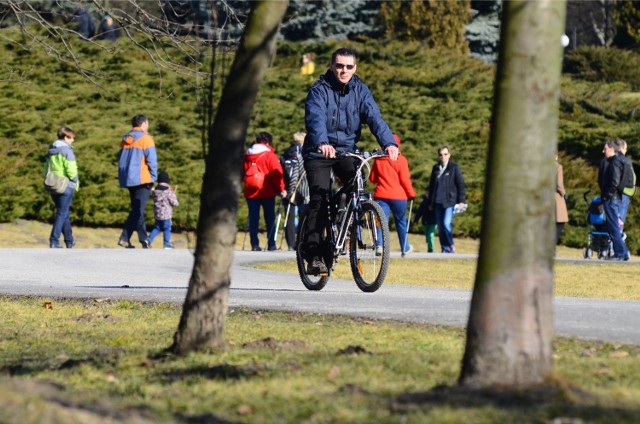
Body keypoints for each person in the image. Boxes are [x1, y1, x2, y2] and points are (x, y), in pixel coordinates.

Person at [302, 47, 399, 275]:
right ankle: (314, 255)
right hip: (319, 152)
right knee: (319, 198)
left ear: (355, 68)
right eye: (339, 65)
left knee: (357, 185)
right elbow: (315, 119)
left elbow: (374, 117)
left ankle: (343, 223)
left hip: (346, 151)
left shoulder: (360, 91)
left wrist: (389, 143)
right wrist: (322, 143)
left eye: (348, 66)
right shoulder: (319, 90)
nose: (343, 70)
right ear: (331, 65)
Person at [369, 134, 416, 256]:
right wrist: (411, 194)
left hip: (381, 195)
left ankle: (379, 245)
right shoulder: (401, 160)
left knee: (380, 220)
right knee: (400, 222)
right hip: (399, 197)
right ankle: (404, 248)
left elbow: (372, 178)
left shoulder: (378, 160)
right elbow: (405, 180)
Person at [117, 114, 158, 248]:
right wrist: (153, 178)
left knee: (137, 208)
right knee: (138, 210)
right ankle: (125, 237)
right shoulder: (146, 139)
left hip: (128, 178)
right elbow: (152, 161)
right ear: (144, 124)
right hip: (142, 178)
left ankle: (144, 239)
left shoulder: (125, 139)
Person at [243, 132, 286, 252]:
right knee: (269, 218)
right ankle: (271, 244)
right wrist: (281, 189)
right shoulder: (269, 155)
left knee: (253, 218)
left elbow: (244, 172)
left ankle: (254, 244)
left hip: (251, 191)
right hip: (267, 191)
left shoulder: (247, 154)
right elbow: (277, 174)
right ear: (268, 142)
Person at [427, 145, 466, 253]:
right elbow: (431, 186)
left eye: (445, 154)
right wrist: (430, 202)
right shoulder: (435, 168)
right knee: (440, 226)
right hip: (437, 202)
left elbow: (460, 185)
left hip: (449, 202)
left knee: (446, 224)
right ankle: (444, 247)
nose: (443, 157)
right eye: (441, 155)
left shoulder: (454, 168)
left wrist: (462, 200)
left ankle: (451, 245)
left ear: (449, 155)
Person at [45, 127, 79, 248]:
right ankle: (54, 240)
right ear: (65, 137)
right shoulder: (67, 151)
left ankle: (69, 241)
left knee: (64, 213)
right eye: (71, 138)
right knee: (62, 213)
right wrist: (75, 181)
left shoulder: (51, 150)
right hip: (66, 185)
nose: (73, 140)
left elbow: (46, 168)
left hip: (53, 185)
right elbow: (71, 170)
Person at [598, 139, 629, 261]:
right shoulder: (622, 161)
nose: (603, 151)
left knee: (614, 227)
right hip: (616, 198)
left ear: (611, 149)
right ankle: (624, 253)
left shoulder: (614, 162)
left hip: (611, 198)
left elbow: (614, 182)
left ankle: (620, 253)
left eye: (605, 148)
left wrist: (607, 195)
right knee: (614, 226)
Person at [280, 131, 309, 250]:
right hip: (310, 191)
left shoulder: (288, 152)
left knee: (296, 217)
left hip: (297, 190)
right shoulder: (306, 153)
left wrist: (289, 191)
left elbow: (293, 176)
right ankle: (306, 242)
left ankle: (294, 244)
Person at [147, 171, 179, 249]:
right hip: (166, 214)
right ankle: (167, 244)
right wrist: (174, 194)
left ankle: (148, 240)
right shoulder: (169, 191)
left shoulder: (155, 191)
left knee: (157, 228)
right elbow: (175, 203)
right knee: (167, 228)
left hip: (158, 214)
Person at [615, 138, 635, 238]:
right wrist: (621, 188)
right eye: (626, 148)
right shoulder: (626, 161)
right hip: (623, 194)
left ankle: (606, 244)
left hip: (609, 193)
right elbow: (631, 181)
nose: (626, 151)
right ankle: (616, 246)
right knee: (620, 221)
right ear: (622, 148)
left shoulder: (609, 159)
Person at [555, 155, 568, 245]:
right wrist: (564, 193)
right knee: (560, 222)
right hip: (556, 197)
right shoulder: (558, 167)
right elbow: (559, 184)